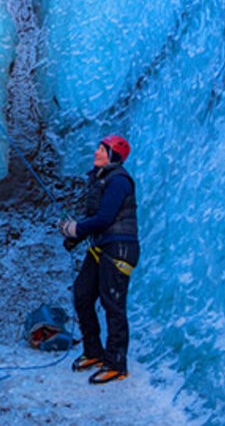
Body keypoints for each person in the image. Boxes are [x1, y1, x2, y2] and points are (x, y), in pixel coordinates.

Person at [58, 134, 139, 384]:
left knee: (112, 303)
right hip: (102, 248)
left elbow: (104, 219)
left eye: (102, 150)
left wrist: (76, 229)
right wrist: (76, 236)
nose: (96, 153)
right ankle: (93, 351)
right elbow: (99, 221)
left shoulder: (119, 181)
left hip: (119, 250)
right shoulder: (103, 180)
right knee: (83, 294)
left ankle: (116, 363)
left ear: (113, 155)